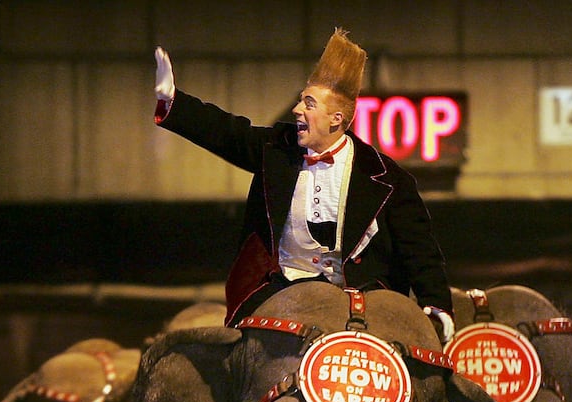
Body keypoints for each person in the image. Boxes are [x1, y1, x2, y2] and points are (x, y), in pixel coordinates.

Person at [152, 28, 453, 328]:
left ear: (337, 119)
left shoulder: (389, 179)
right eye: (300, 101)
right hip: (281, 292)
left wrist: (437, 305)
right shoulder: (276, 149)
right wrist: (174, 102)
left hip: (360, 304)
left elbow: (420, 251)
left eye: (309, 104)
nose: (297, 110)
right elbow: (226, 132)